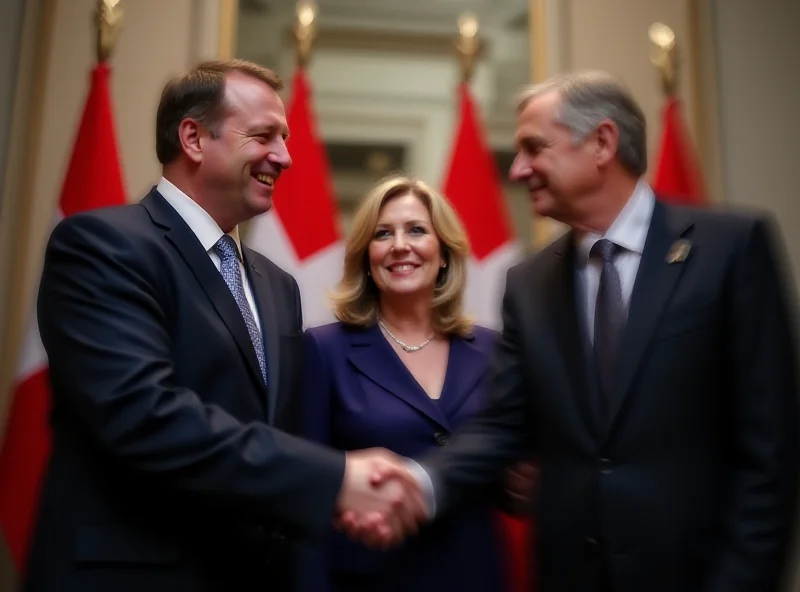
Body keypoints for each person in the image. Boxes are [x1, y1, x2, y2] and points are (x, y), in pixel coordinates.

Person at [363, 70, 800, 592]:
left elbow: (770, 451)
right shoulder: (528, 283)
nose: (519, 168)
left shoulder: (729, 250)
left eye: (533, 147)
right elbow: (503, 426)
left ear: (602, 142)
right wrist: (421, 482)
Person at [26, 59, 422, 592]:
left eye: (284, 137)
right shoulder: (104, 246)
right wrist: (333, 480)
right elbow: (144, 416)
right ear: (192, 137)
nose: (284, 156)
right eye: (264, 136)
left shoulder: (276, 285)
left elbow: (271, 429)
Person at [298, 175, 518, 592]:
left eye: (416, 230)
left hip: (475, 571)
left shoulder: (495, 350)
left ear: (444, 253)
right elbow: (307, 489)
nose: (400, 245)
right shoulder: (323, 349)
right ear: (366, 256)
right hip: (371, 578)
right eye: (383, 234)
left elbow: (505, 472)